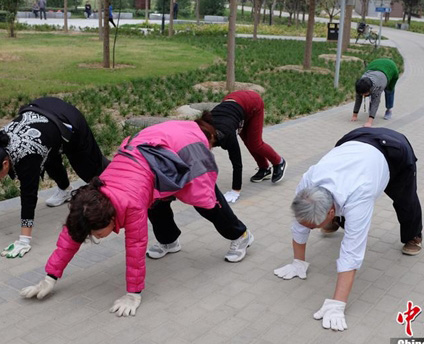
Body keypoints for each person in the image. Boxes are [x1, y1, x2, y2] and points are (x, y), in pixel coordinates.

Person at [19, 118, 254, 316]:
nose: (95, 237)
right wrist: (50, 277)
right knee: (156, 202)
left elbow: (135, 247)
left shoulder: (130, 206)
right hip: (149, 154)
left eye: (96, 233)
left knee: (206, 201)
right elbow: (72, 235)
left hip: (181, 146)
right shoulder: (88, 201)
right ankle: (169, 241)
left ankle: (241, 235)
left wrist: (133, 294)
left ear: (111, 219)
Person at [274, 127, 423, 331]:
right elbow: (299, 224)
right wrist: (298, 262)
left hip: (394, 152)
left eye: (315, 226)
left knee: (406, 200)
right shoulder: (308, 182)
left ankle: (414, 235)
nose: (311, 229)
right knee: (334, 215)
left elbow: (352, 250)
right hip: (355, 139)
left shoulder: (360, 195)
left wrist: (338, 303)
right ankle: (334, 224)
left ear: (330, 211)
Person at [0, 97, 110, 258]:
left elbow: (29, 196)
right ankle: (65, 191)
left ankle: (117, 187)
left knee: (91, 171)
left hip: (68, 120)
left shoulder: (27, 156)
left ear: (5, 164)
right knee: (49, 156)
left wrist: (24, 239)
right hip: (45, 119)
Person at [210, 90, 287, 203]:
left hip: (253, 103)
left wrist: (235, 190)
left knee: (255, 143)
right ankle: (264, 169)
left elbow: (237, 163)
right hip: (235, 105)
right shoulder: (204, 128)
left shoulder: (228, 135)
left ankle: (279, 162)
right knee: (248, 142)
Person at [351, 58, 399, 127]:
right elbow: (358, 99)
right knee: (370, 96)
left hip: (390, 69)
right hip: (374, 65)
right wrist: (354, 115)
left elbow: (375, 102)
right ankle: (371, 112)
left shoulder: (378, 86)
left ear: (370, 89)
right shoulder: (361, 84)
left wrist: (369, 122)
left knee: (389, 91)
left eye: (364, 94)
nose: (363, 96)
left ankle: (389, 110)